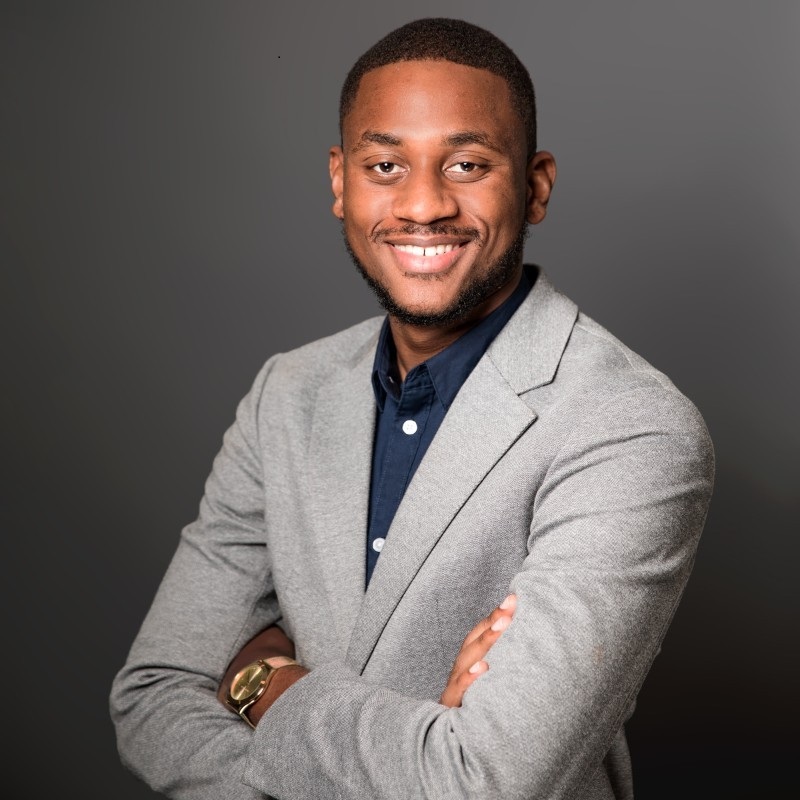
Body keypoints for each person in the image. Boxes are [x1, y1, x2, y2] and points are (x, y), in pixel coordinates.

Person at [110, 17, 714, 800]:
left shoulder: (630, 426)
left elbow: (487, 781)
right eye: (386, 165)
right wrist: (425, 750)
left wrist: (263, 683)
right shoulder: (285, 395)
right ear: (340, 182)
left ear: (535, 186)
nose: (423, 205)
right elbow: (153, 695)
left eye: (467, 164)